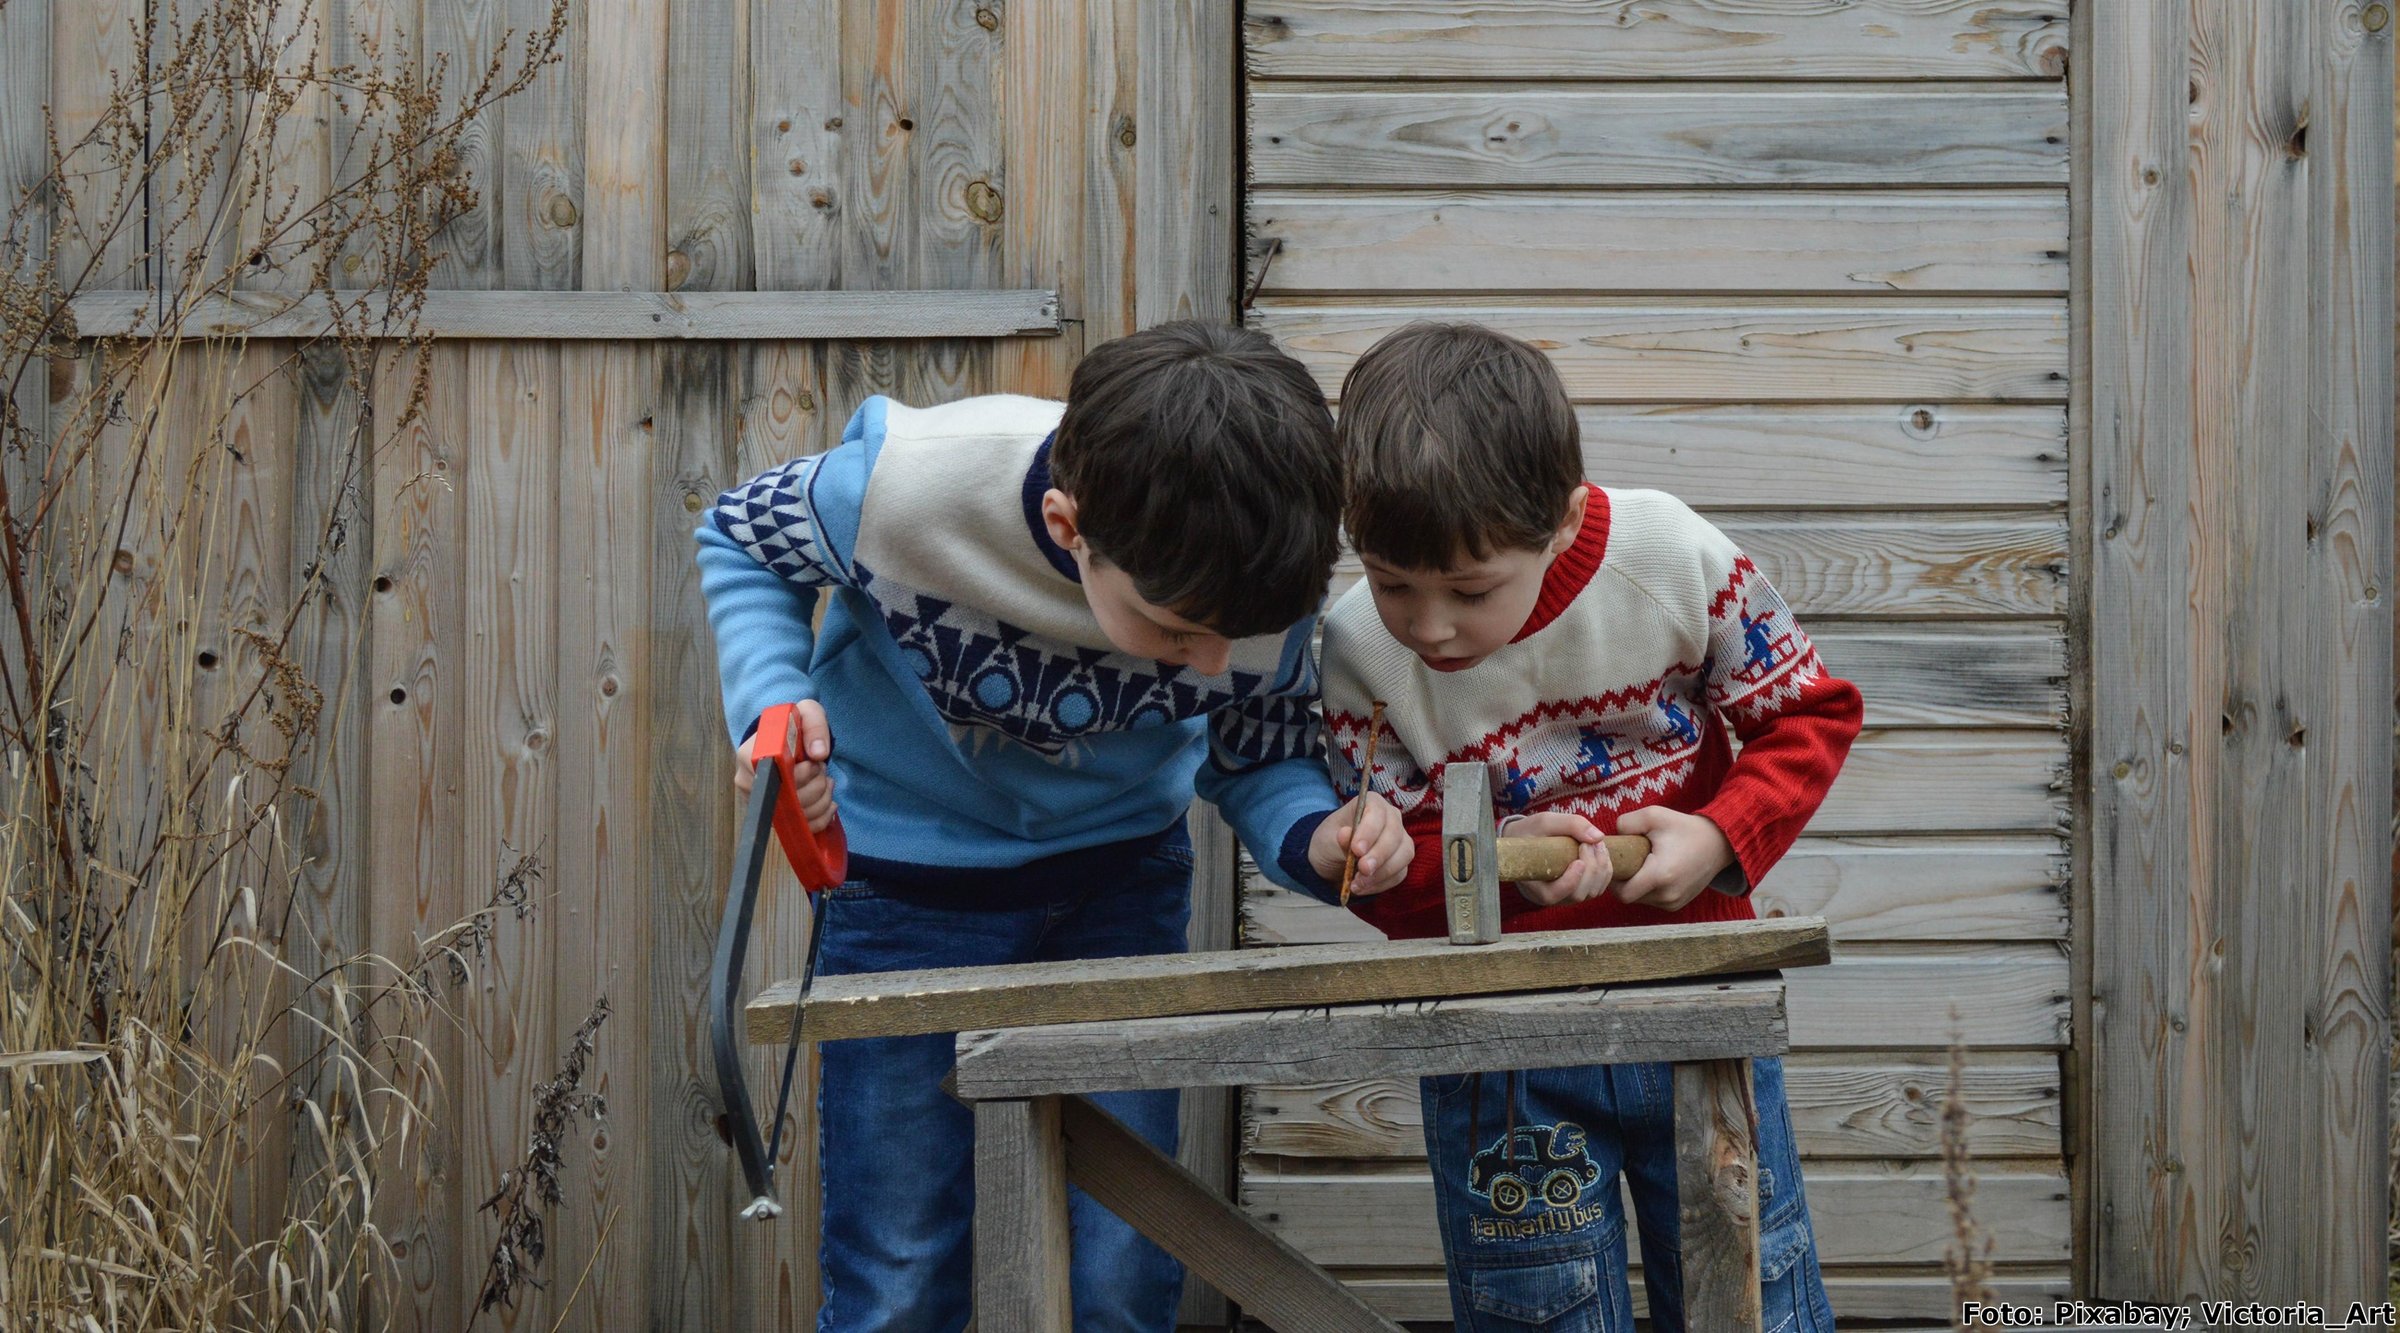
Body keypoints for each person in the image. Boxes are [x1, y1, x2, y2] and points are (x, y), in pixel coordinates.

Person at [695, 320, 1409, 1331]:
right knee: (898, 1266)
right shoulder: (908, 491)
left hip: (1119, 890)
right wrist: (773, 700)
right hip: (901, 894)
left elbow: (1261, 762)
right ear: (1072, 528)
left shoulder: (1259, 579)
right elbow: (736, 535)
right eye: (1173, 630)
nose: (1210, 665)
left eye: (1234, 640)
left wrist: (1320, 840)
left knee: (1129, 1258)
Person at [1321, 322, 1861, 1332]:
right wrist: (1451, 872)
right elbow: (1387, 878)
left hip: (1700, 1010)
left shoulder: (1666, 556)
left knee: (1750, 1288)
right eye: (1394, 583)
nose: (1428, 625)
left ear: (1566, 523)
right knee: (1539, 1307)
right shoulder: (1356, 650)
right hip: (1498, 1045)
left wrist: (1718, 838)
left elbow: (1807, 715)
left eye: (1470, 590)